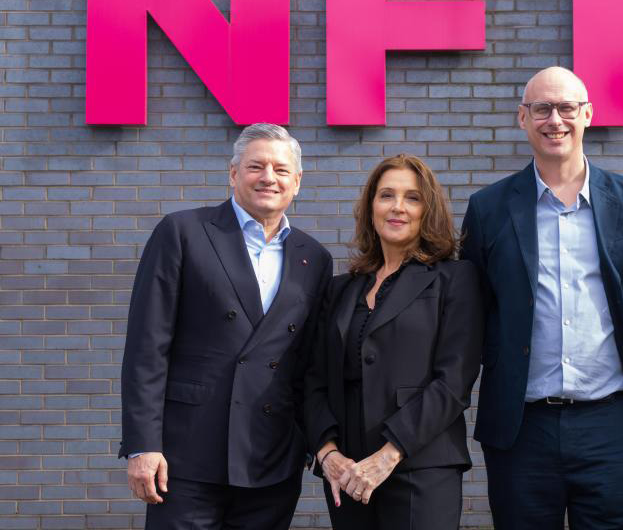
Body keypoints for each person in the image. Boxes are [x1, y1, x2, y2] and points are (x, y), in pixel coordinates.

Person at [460, 66, 623, 529]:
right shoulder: (488, 208)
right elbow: (475, 310)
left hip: (609, 423)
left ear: (588, 114)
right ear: (522, 118)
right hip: (521, 427)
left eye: (567, 108)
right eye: (542, 109)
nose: (555, 120)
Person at [119, 123, 333, 529]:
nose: (268, 177)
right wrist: (142, 445)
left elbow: (308, 363)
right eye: (256, 166)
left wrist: (308, 444)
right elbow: (147, 347)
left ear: (297, 182)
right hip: (185, 455)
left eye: (281, 170)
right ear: (234, 173)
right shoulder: (183, 232)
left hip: (270, 458)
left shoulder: (314, 257)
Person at [303, 154, 484, 530]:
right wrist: (327, 452)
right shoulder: (340, 289)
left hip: (420, 466)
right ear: (371, 207)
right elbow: (313, 379)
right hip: (347, 471)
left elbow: (453, 382)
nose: (397, 206)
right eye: (386, 195)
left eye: (412, 197)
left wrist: (388, 454)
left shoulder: (454, 279)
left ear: (427, 210)